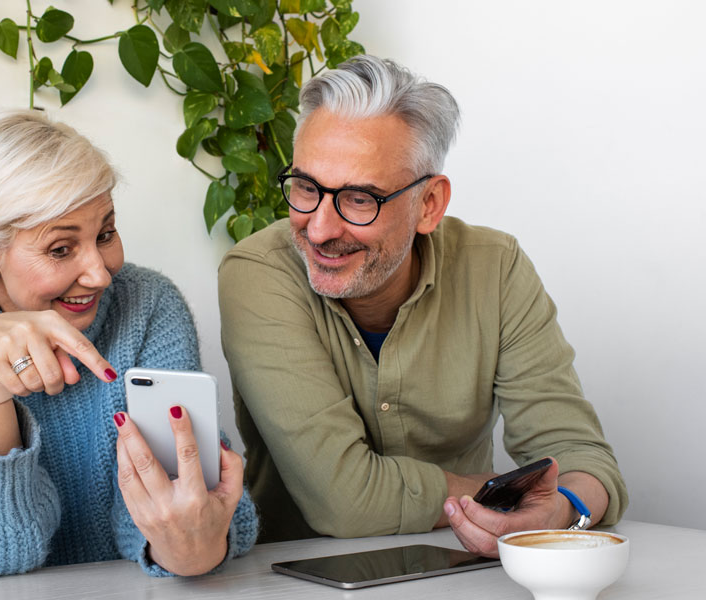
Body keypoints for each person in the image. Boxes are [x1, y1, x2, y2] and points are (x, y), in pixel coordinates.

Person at [218, 56, 627, 557]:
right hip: (298, 579)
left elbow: (581, 455)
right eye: (306, 188)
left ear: (429, 204)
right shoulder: (257, 272)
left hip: (468, 572)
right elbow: (344, 501)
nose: (319, 228)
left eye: (359, 199)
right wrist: (499, 496)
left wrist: (561, 507)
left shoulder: (495, 268)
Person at [0, 109, 257, 579]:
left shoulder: (146, 305)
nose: (100, 272)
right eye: (60, 249)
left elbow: (194, 515)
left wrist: (191, 547)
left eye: (106, 233)